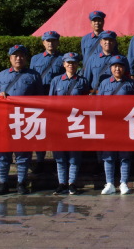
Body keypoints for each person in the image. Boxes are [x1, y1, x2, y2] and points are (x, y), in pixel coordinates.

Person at [0, 45, 42, 195]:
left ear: (26, 58)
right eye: (15, 56)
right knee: (2, 153)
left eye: (21, 56)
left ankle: (21, 182)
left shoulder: (33, 76)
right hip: (4, 119)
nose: (18, 58)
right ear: (10, 58)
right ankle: (3, 183)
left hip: (24, 120)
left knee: (23, 154)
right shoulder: (1, 75)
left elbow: (41, 97)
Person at [48, 52, 91, 195]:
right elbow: (50, 101)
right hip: (59, 122)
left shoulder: (82, 81)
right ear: (64, 64)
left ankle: (72, 183)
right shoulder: (56, 81)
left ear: (77, 64)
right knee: (60, 155)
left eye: (73, 62)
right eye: (68, 62)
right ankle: (62, 183)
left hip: (76, 121)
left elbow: (87, 103)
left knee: (74, 155)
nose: (71, 65)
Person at [98, 55, 134, 195]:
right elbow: (99, 103)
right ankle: (109, 183)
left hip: (125, 124)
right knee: (108, 155)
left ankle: (123, 183)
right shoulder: (104, 83)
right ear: (110, 68)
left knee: (124, 154)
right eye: (115, 66)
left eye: (120, 66)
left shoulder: (131, 84)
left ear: (124, 68)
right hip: (108, 124)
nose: (117, 69)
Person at [30, 30, 65, 172]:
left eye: (53, 40)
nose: (50, 43)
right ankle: (40, 159)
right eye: (48, 41)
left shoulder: (63, 58)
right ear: (43, 43)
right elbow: (31, 77)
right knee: (40, 130)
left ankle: (59, 160)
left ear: (57, 42)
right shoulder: (35, 59)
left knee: (57, 130)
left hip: (57, 99)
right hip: (40, 97)